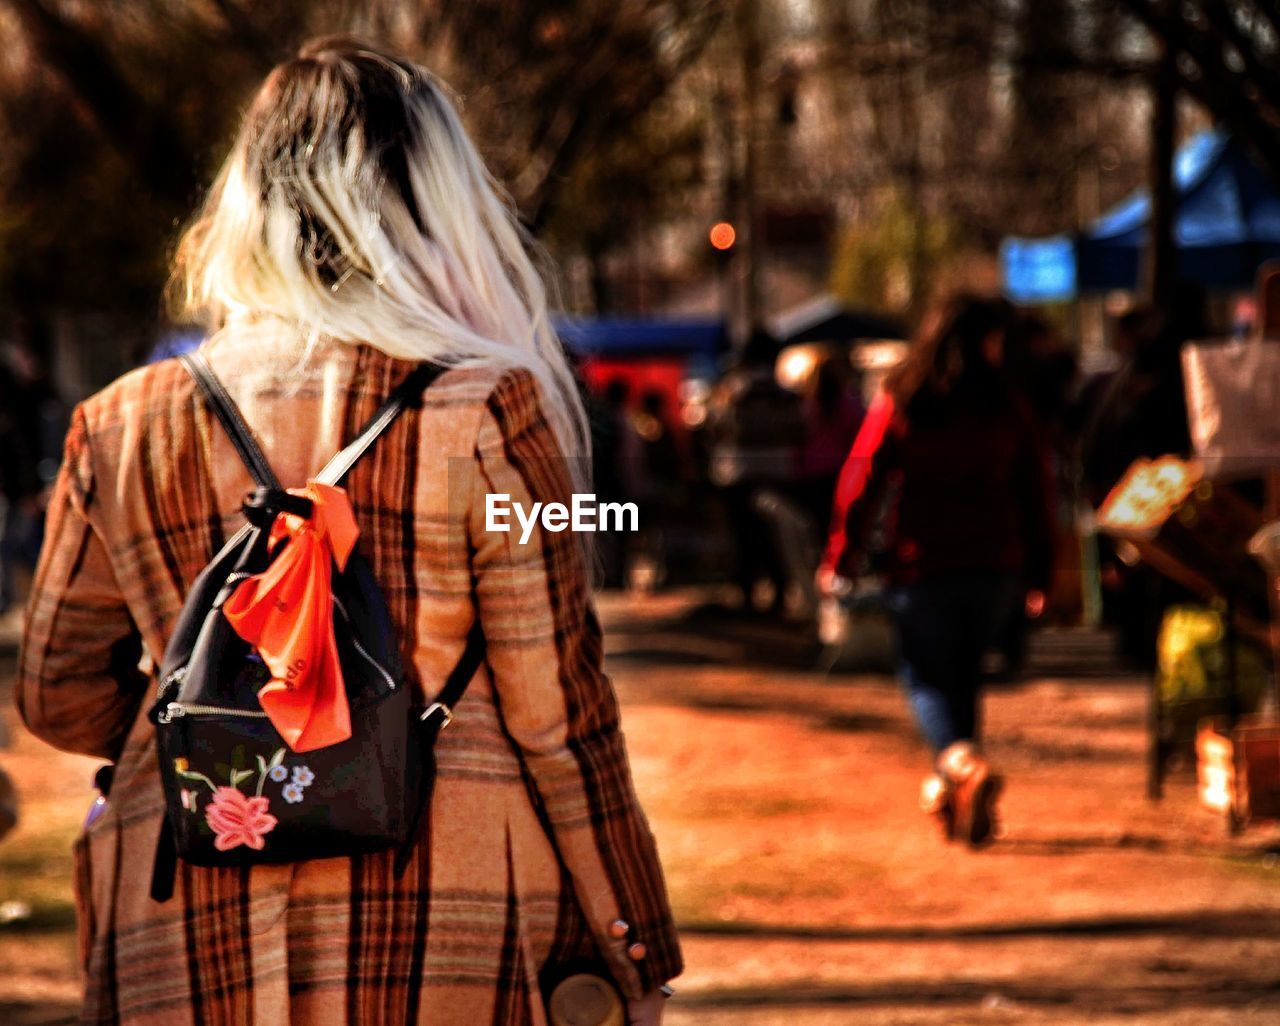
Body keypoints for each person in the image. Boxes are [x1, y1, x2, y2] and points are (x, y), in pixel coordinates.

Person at [17, 38, 679, 1025]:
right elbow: (556, 710)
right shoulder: (489, 409)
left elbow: (53, 688)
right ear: (434, 207)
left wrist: (228, 728)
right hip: (446, 915)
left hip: (187, 921)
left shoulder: (117, 426)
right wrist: (631, 932)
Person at [817, 295, 1055, 846]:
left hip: (921, 568)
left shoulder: (905, 400)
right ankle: (960, 794)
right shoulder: (1007, 406)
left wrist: (841, 557)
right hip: (995, 567)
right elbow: (1035, 494)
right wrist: (1042, 572)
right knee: (965, 678)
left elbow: (860, 483)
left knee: (925, 679)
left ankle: (959, 761)